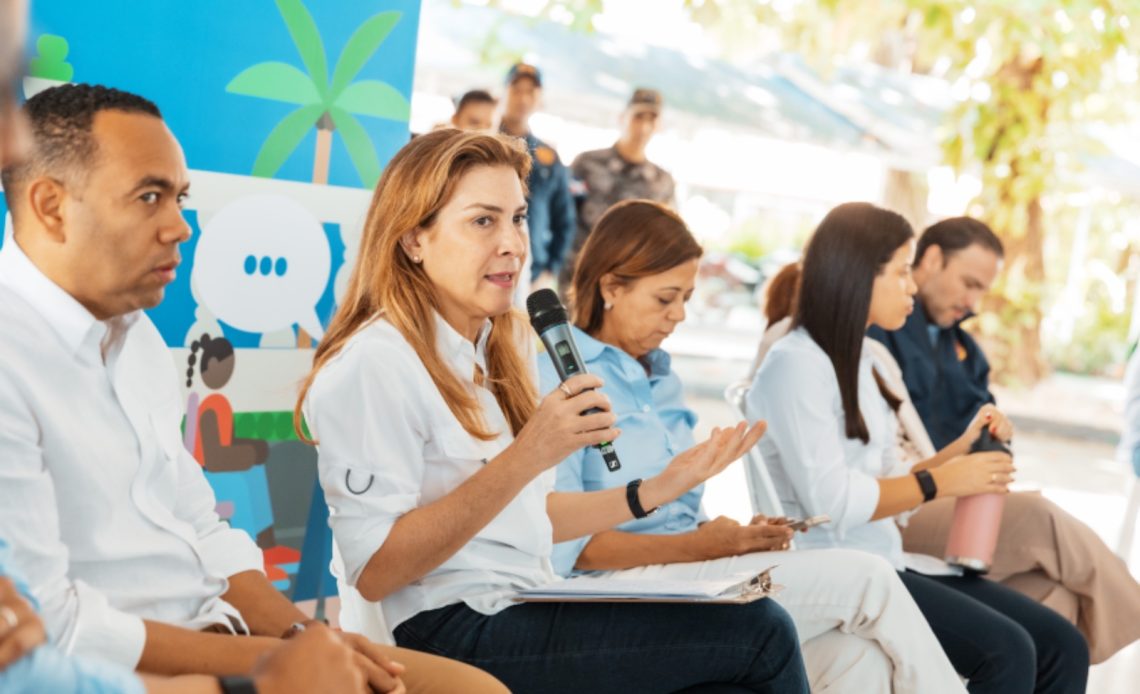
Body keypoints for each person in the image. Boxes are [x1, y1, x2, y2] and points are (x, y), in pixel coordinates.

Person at [0, 82, 503, 692]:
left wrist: (305, 637)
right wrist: (267, 665)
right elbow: (54, 624)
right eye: (150, 197)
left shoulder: (139, 342)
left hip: (224, 637)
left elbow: (199, 527)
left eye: (180, 199)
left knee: (474, 689)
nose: (179, 227)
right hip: (127, 672)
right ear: (51, 206)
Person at [298, 128, 810, 693]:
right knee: (760, 632)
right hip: (440, 624)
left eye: (518, 218)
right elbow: (376, 571)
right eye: (482, 221)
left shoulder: (492, 347)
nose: (514, 244)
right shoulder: (374, 363)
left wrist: (656, 489)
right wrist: (530, 452)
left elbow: (527, 514)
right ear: (413, 239)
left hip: (519, 597)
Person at [543, 199, 964, 692]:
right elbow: (569, 548)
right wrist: (696, 547)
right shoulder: (560, 377)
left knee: (858, 659)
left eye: (687, 297)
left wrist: (735, 536)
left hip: (686, 570)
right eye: (665, 299)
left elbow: (678, 514)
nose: (679, 315)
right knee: (869, 579)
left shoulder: (662, 378)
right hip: (617, 590)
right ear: (611, 287)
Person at [747, 203, 1090, 693]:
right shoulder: (795, 365)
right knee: (1007, 651)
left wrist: (960, 450)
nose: (911, 285)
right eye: (901, 271)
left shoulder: (865, 359)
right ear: (857, 274)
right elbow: (832, 503)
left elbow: (891, 475)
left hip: (886, 559)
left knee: (1064, 644)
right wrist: (940, 482)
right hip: (844, 570)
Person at [867, 217, 1140, 663]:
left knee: (1059, 604)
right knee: (1039, 515)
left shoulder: (965, 351)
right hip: (909, 501)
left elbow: (986, 427)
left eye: (982, 291)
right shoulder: (877, 339)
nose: (972, 302)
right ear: (930, 260)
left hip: (968, 505)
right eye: (968, 283)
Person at [558, 88, 676, 291]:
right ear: (623, 118)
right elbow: (562, 215)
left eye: (652, 120)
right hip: (577, 277)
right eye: (638, 117)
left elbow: (664, 239)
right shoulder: (587, 164)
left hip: (625, 287)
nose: (644, 127)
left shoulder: (661, 182)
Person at [499, 62, 575, 296]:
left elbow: (565, 219)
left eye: (530, 92)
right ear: (504, 91)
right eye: (516, 89)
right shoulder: (483, 143)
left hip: (531, 274)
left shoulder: (548, 158)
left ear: (539, 98)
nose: (522, 98)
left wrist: (549, 270)